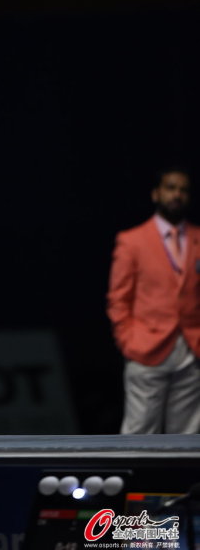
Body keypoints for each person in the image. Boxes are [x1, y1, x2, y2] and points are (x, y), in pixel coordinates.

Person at [106, 166, 200, 434]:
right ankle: (135, 477)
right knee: (139, 431)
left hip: (192, 348)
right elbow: (118, 297)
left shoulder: (198, 239)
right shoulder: (132, 241)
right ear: (156, 194)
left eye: (183, 190)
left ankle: (187, 479)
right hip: (146, 346)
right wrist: (128, 339)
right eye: (171, 188)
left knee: (188, 435)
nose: (177, 195)